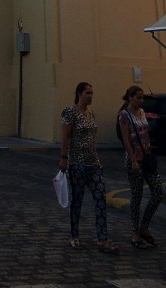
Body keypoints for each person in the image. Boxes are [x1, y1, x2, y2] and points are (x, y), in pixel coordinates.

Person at [60, 81, 119, 254]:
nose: (91, 96)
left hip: (94, 163)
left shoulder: (91, 113)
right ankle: (74, 236)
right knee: (77, 200)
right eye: (88, 93)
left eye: (92, 93)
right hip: (77, 163)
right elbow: (65, 136)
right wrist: (64, 158)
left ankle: (102, 239)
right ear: (79, 94)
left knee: (100, 197)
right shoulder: (70, 112)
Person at [118, 85, 162, 248]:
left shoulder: (142, 112)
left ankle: (144, 226)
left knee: (158, 192)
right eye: (138, 97)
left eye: (142, 97)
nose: (141, 101)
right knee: (136, 196)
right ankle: (135, 232)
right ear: (130, 98)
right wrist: (133, 160)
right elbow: (126, 139)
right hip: (134, 160)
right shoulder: (124, 115)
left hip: (147, 158)